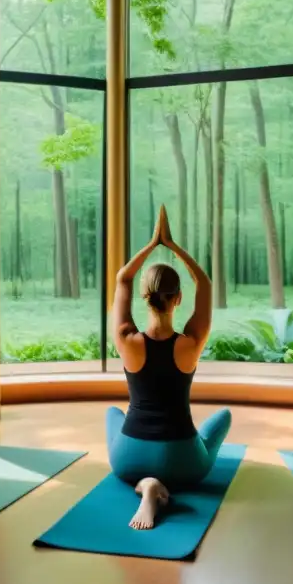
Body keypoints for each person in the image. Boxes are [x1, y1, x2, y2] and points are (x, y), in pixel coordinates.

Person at [108, 205, 231, 530]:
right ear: (177, 299)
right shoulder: (191, 342)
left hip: (127, 461)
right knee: (222, 419)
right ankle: (158, 484)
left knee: (113, 415)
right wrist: (172, 245)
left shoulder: (126, 339)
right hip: (183, 465)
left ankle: (145, 484)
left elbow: (123, 278)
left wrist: (152, 243)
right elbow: (203, 284)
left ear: (144, 297)